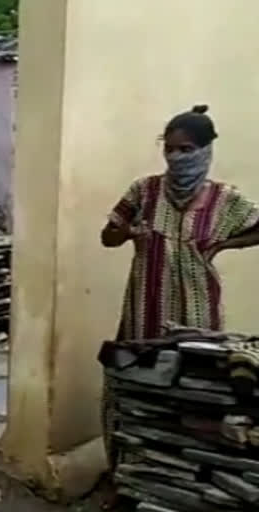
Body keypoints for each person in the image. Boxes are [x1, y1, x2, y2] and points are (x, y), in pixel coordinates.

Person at [100, 105, 259, 506]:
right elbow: (108, 237)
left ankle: (187, 483)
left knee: (193, 387)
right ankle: (132, 476)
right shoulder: (144, 190)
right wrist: (122, 232)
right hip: (143, 308)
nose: (175, 157)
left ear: (205, 151)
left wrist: (225, 244)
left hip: (198, 310)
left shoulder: (226, 200)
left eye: (185, 149)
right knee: (137, 386)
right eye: (169, 149)